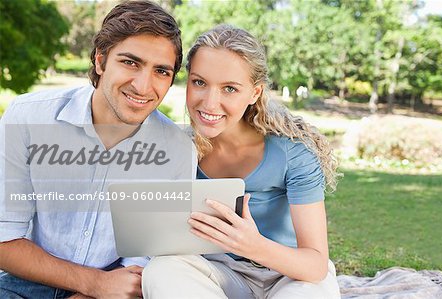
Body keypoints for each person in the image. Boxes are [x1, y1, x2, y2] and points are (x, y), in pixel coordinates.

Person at [0, 1, 195, 298]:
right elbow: (4, 239)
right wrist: (93, 283)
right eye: (130, 62)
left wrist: (97, 291)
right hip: (23, 283)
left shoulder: (178, 149)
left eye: (161, 71)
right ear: (100, 61)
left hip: (118, 291)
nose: (144, 86)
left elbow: (146, 258)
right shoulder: (28, 118)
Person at [142, 24, 341, 298]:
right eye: (199, 82)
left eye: (230, 89)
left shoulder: (293, 153)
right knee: (162, 269)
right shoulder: (179, 147)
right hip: (220, 275)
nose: (210, 103)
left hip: (290, 275)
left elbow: (316, 265)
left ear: (255, 93)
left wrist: (252, 244)